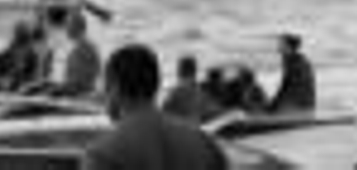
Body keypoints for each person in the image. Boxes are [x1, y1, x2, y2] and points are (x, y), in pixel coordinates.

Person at [83, 43, 228, 170]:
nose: (104, 97)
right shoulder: (206, 145)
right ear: (156, 85)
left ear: (116, 88)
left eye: (106, 88)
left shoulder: (103, 154)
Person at [53, 11, 102, 97]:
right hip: (80, 92)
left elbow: (78, 82)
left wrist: (59, 89)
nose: (65, 29)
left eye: (68, 25)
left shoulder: (82, 50)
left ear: (77, 27)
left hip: (78, 95)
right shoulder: (89, 47)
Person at [268, 33, 316, 113]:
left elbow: (288, 86)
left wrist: (275, 104)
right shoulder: (290, 59)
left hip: (300, 103)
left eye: (281, 44)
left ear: (288, 46)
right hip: (299, 100)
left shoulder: (296, 62)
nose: (278, 46)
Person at [162, 55, 213, 123]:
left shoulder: (174, 95)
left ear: (179, 72)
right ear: (194, 72)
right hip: (195, 129)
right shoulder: (201, 94)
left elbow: (163, 115)